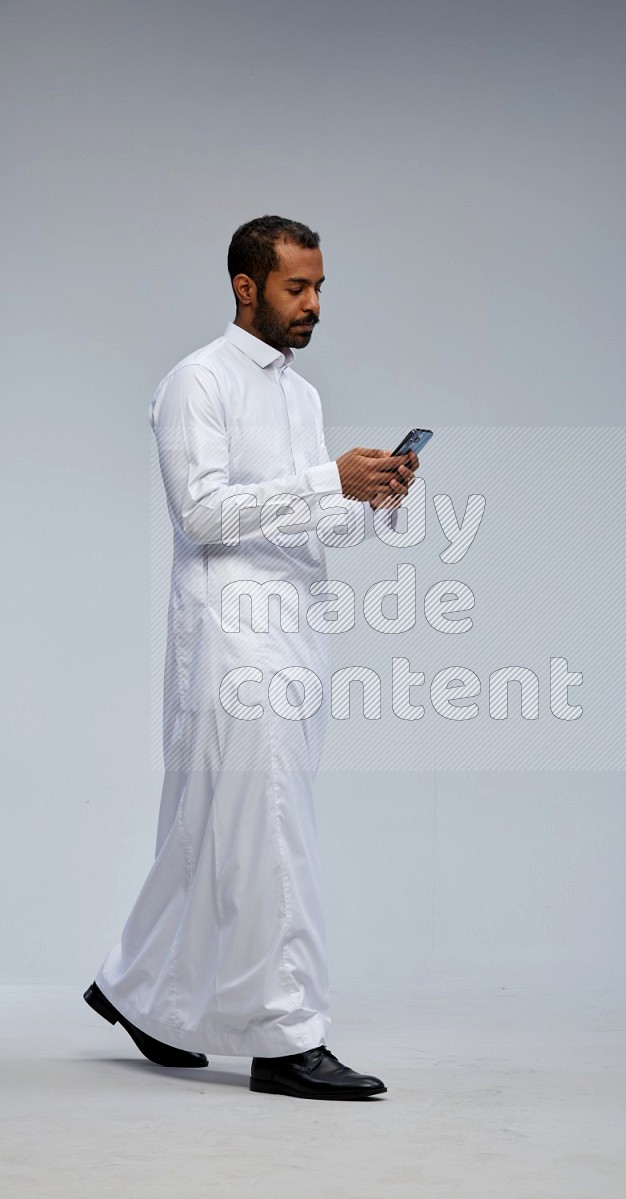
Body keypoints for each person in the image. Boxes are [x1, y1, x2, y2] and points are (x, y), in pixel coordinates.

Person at [84, 214, 418, 1100]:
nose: (313, 305)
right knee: (269, 834)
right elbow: (200, 513)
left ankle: (136, 990)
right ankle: (286, 1036)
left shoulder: (299, 397)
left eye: (319, 289)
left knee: (210, 830)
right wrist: (322, 482)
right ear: (246, 287)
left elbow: (311, 517)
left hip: (296, 632)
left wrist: (371, 496)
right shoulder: (196, 382)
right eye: (295, 288)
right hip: (230, 640)